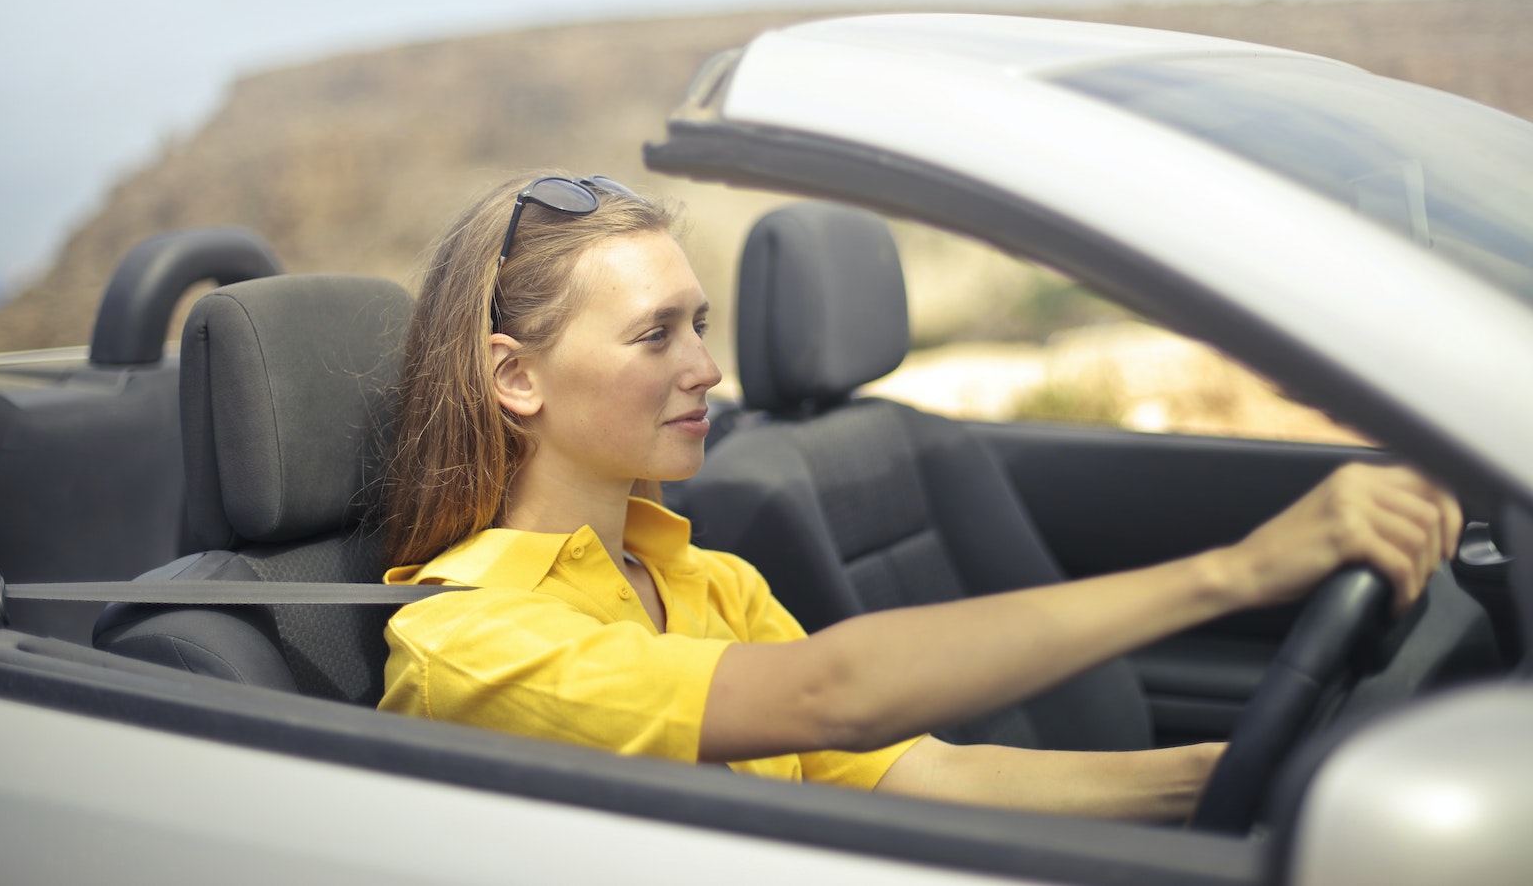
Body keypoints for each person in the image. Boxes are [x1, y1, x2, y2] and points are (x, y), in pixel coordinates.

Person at [376, 173, 1461, 821]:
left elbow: (920, 772)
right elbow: (827, 695)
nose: (705, 367)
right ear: (514, 374)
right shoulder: (470, 640)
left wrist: (1248, 774)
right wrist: (1233, 572)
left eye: (699, 323)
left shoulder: (702, 578)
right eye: (655, 334)